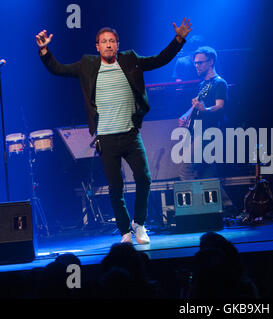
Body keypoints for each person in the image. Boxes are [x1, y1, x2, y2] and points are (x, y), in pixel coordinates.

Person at [36, 19, 192, 244]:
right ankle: (124, 232)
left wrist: (178, 40)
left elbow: (159, 60)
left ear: (118, 45)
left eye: (112, 41)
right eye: (104, 42)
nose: (108, 45)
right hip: (106, 139)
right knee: (115, 188)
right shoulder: (87, 64)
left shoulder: (130, 60)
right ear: (97, 46)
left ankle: (139, 225)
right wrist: (44, 50)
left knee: (144, 179)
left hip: (130, 135)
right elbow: (57, 69)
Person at [178, 46, 228, 180]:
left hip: (209, 133)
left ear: (211, 62)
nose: (196, 66)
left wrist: (205, 109)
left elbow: (220, 105)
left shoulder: (219, 83)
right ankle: (224, 201)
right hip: (199, 132)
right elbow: (197, 106)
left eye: (200, 62)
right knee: (207, 175)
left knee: (186, 169)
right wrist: (186, 116)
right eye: (195, 63)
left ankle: (195, 201)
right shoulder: (202, 84)